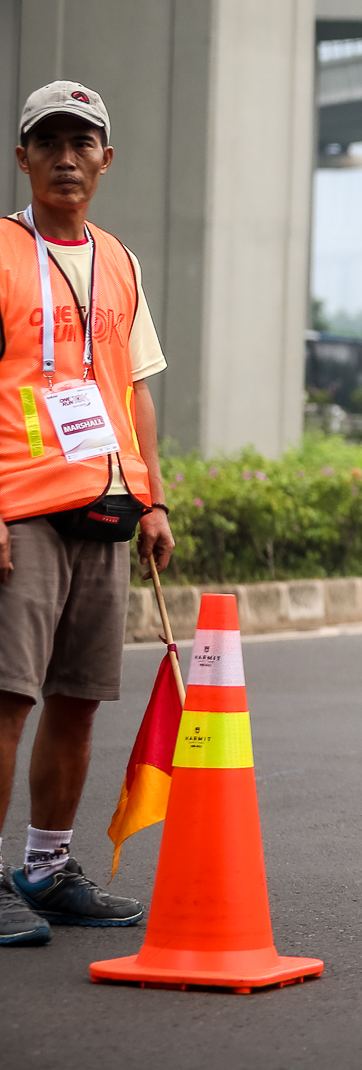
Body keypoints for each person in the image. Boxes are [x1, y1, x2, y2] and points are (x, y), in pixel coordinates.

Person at [0, 82, 173, 947]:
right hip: (19, 507)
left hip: (104, 506)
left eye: (83, 143)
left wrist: (153, 498)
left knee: (78, 697)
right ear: (23, 158)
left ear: (106, 158)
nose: (66, 158)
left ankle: (47, 868)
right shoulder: (0, 252)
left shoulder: (120, 260)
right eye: (50, 143)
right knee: (7, 695)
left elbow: (132, 389)